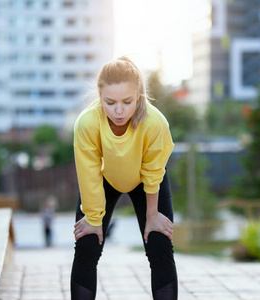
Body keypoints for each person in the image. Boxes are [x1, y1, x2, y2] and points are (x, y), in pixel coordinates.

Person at [70, 56, 178, 300]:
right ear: (100, 97)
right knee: (87, 244)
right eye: (110, 102)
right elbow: (88, 174)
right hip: (104, 178)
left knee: (159, 243)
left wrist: (152, 215)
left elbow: (152, 172)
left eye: (127, 102)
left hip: (146, 180)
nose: (119, 111)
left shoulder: (155, 122)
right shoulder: (87, 123)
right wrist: (94, 219)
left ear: (138, 95)